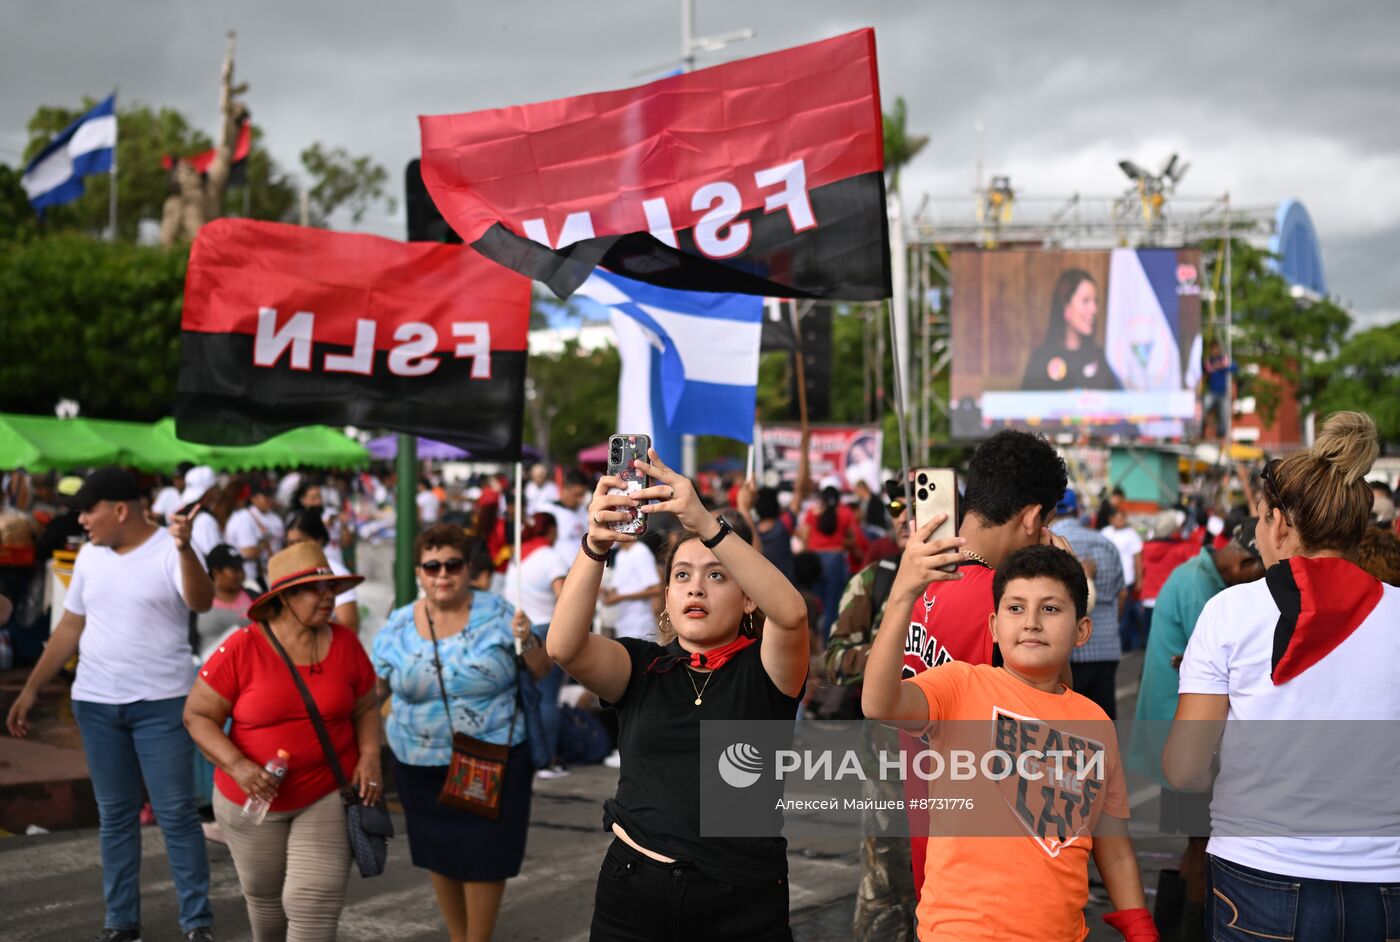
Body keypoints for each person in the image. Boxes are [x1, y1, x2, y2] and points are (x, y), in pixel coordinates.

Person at [547, 448, 809, 940]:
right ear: (666, 594)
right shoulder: (643, 665)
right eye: (682, 575)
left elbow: (791, 613)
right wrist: (595, 545)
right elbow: (563, 646)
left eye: (717, 575)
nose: (696, 589)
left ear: (748, 595)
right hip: (632, 892)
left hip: (742, 901)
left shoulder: (766, 669)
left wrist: (704, 522)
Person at [1166, 412, 1400, 939]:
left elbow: (1184, 770)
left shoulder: (1229, 613)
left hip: (1259, 873)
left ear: (1277, 523)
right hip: (1386, 879)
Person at [863, 543, 1152, 940]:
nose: (1031, 622)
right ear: (995, 627)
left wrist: (1139, 924)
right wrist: (902, 596)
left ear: (1082, 629)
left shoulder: (1096, 722)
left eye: (1050, 608)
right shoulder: (960, 685)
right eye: (1016, 608)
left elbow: (1113, 847)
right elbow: (880, 703)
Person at [6, 466, 216, 942]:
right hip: (96, 705)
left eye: (87, 511)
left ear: (120, 511)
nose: (81, 520)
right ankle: (121, 924)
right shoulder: (89, 558)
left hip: (162, 704)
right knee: (116, 817)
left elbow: (201, 601)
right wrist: (33, 687)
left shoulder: (171, 550)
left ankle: (197, 923)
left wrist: (185, 550)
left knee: (176, 813)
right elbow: (69, 628)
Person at [182, 542, 376, 942]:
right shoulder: (242, 647)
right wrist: (238, 766)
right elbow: (197, 716)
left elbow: (365, 707)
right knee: (266, 901)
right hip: (250, 799)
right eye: (314, 590)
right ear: (284, 598)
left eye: (331, 589)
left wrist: (370, 754)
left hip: (325, 791)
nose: (328, 598)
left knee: (314, 902)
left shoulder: (346, 643)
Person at [373, 522, 550, 942]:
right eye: (431, 566)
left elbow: (541, 671)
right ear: (418, 572)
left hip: (494, 759)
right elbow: (372, 694)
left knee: (485, 856)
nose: (442, 575)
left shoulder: (503, 613)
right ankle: (459, 936)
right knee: (440, 855)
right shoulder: (396, 625)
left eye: (452, 564)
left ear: (468, 568)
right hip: (419, 762)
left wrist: (528, 641)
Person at [1127, 521, 1264, 941]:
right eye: (1258, 575)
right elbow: (1211, 661)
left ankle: (1175, 927)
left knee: (1195, 845)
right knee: (1200, 848)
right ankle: (1184, 931)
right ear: (1242, 562)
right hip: (1186, 733)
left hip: (1184, 731)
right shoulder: (1199, 586)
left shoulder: (1201, 576)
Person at [503, 512, 570, 777]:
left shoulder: (518, 558)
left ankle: (532, 755)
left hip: (519, 631)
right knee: (547, 700)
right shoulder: (550, 557)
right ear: (551, 531)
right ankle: (548, 759)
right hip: (545, 629)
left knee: (529, 698)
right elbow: (566, 598)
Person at [1051, 489, 1126, 719]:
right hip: (1106, 648)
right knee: (1102, 722)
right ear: (1078, 510)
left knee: (1069, 726)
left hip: (1069, 655)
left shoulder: (1048, 542)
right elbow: (1121, 593)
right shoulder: (1105, 543)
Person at [1021, 269, 1120, 391]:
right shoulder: (1041, 359)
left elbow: (1114, 404)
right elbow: (1026, 406)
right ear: (1066, 307)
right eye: (1086, 301)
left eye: (1095, 301)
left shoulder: (1097, 356)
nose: (1094, 309)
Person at [798, 485, 866, 635]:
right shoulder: (845, 513)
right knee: (832, 605)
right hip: (836, 560)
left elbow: (804, 537)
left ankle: (811, 640)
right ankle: (827, 643)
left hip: (814, 560)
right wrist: (840, 543)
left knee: (812, 604)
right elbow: (853, 539)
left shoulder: (812, 513)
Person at [285, 507, 359, 635]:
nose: (295, 549)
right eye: (290, 543)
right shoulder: (286, 573)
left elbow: (350, 626)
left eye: (301, 542)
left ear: (318, 540)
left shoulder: (336, 573)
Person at [1100, 504, 1145, 650]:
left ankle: (1122, 645)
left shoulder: (1131, 534)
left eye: (1123, 517)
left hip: (1126, 580)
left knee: (1124, 614)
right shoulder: (1105, 533)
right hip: (1108, 580)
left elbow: (1137, 559)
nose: (1121, 520)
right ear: (1111, 519)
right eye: (1118, 517)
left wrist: (1139, 580)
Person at [224, 480, 285, 588]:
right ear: (253, 498)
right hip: (247, 576)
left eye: (270, 495)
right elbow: (248, 552)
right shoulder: (245, 517)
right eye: (265, 496)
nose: (269, 499)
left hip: (269, 571)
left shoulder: (275, 517)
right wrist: (264, 543)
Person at [602, 536, 662, 642]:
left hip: (641, 627)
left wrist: (620, 597)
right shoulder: (621, 555)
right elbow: (618, 589)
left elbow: (656, 589)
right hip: (623, 626)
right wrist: (603, 591)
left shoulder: (640, 551)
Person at [1199, 340, 1236, 440]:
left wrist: (1223, 367)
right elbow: (1202, 371)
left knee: (1223, 415)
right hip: (1212, 392)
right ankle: (1200, 430)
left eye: (1216, 348)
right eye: (1213, 348)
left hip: (1223, 393)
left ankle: (1221, 434)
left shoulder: (1224, 360)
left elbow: (1234, 367)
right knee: (1203, 409)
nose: (1215, 351)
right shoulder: (1208, 361)